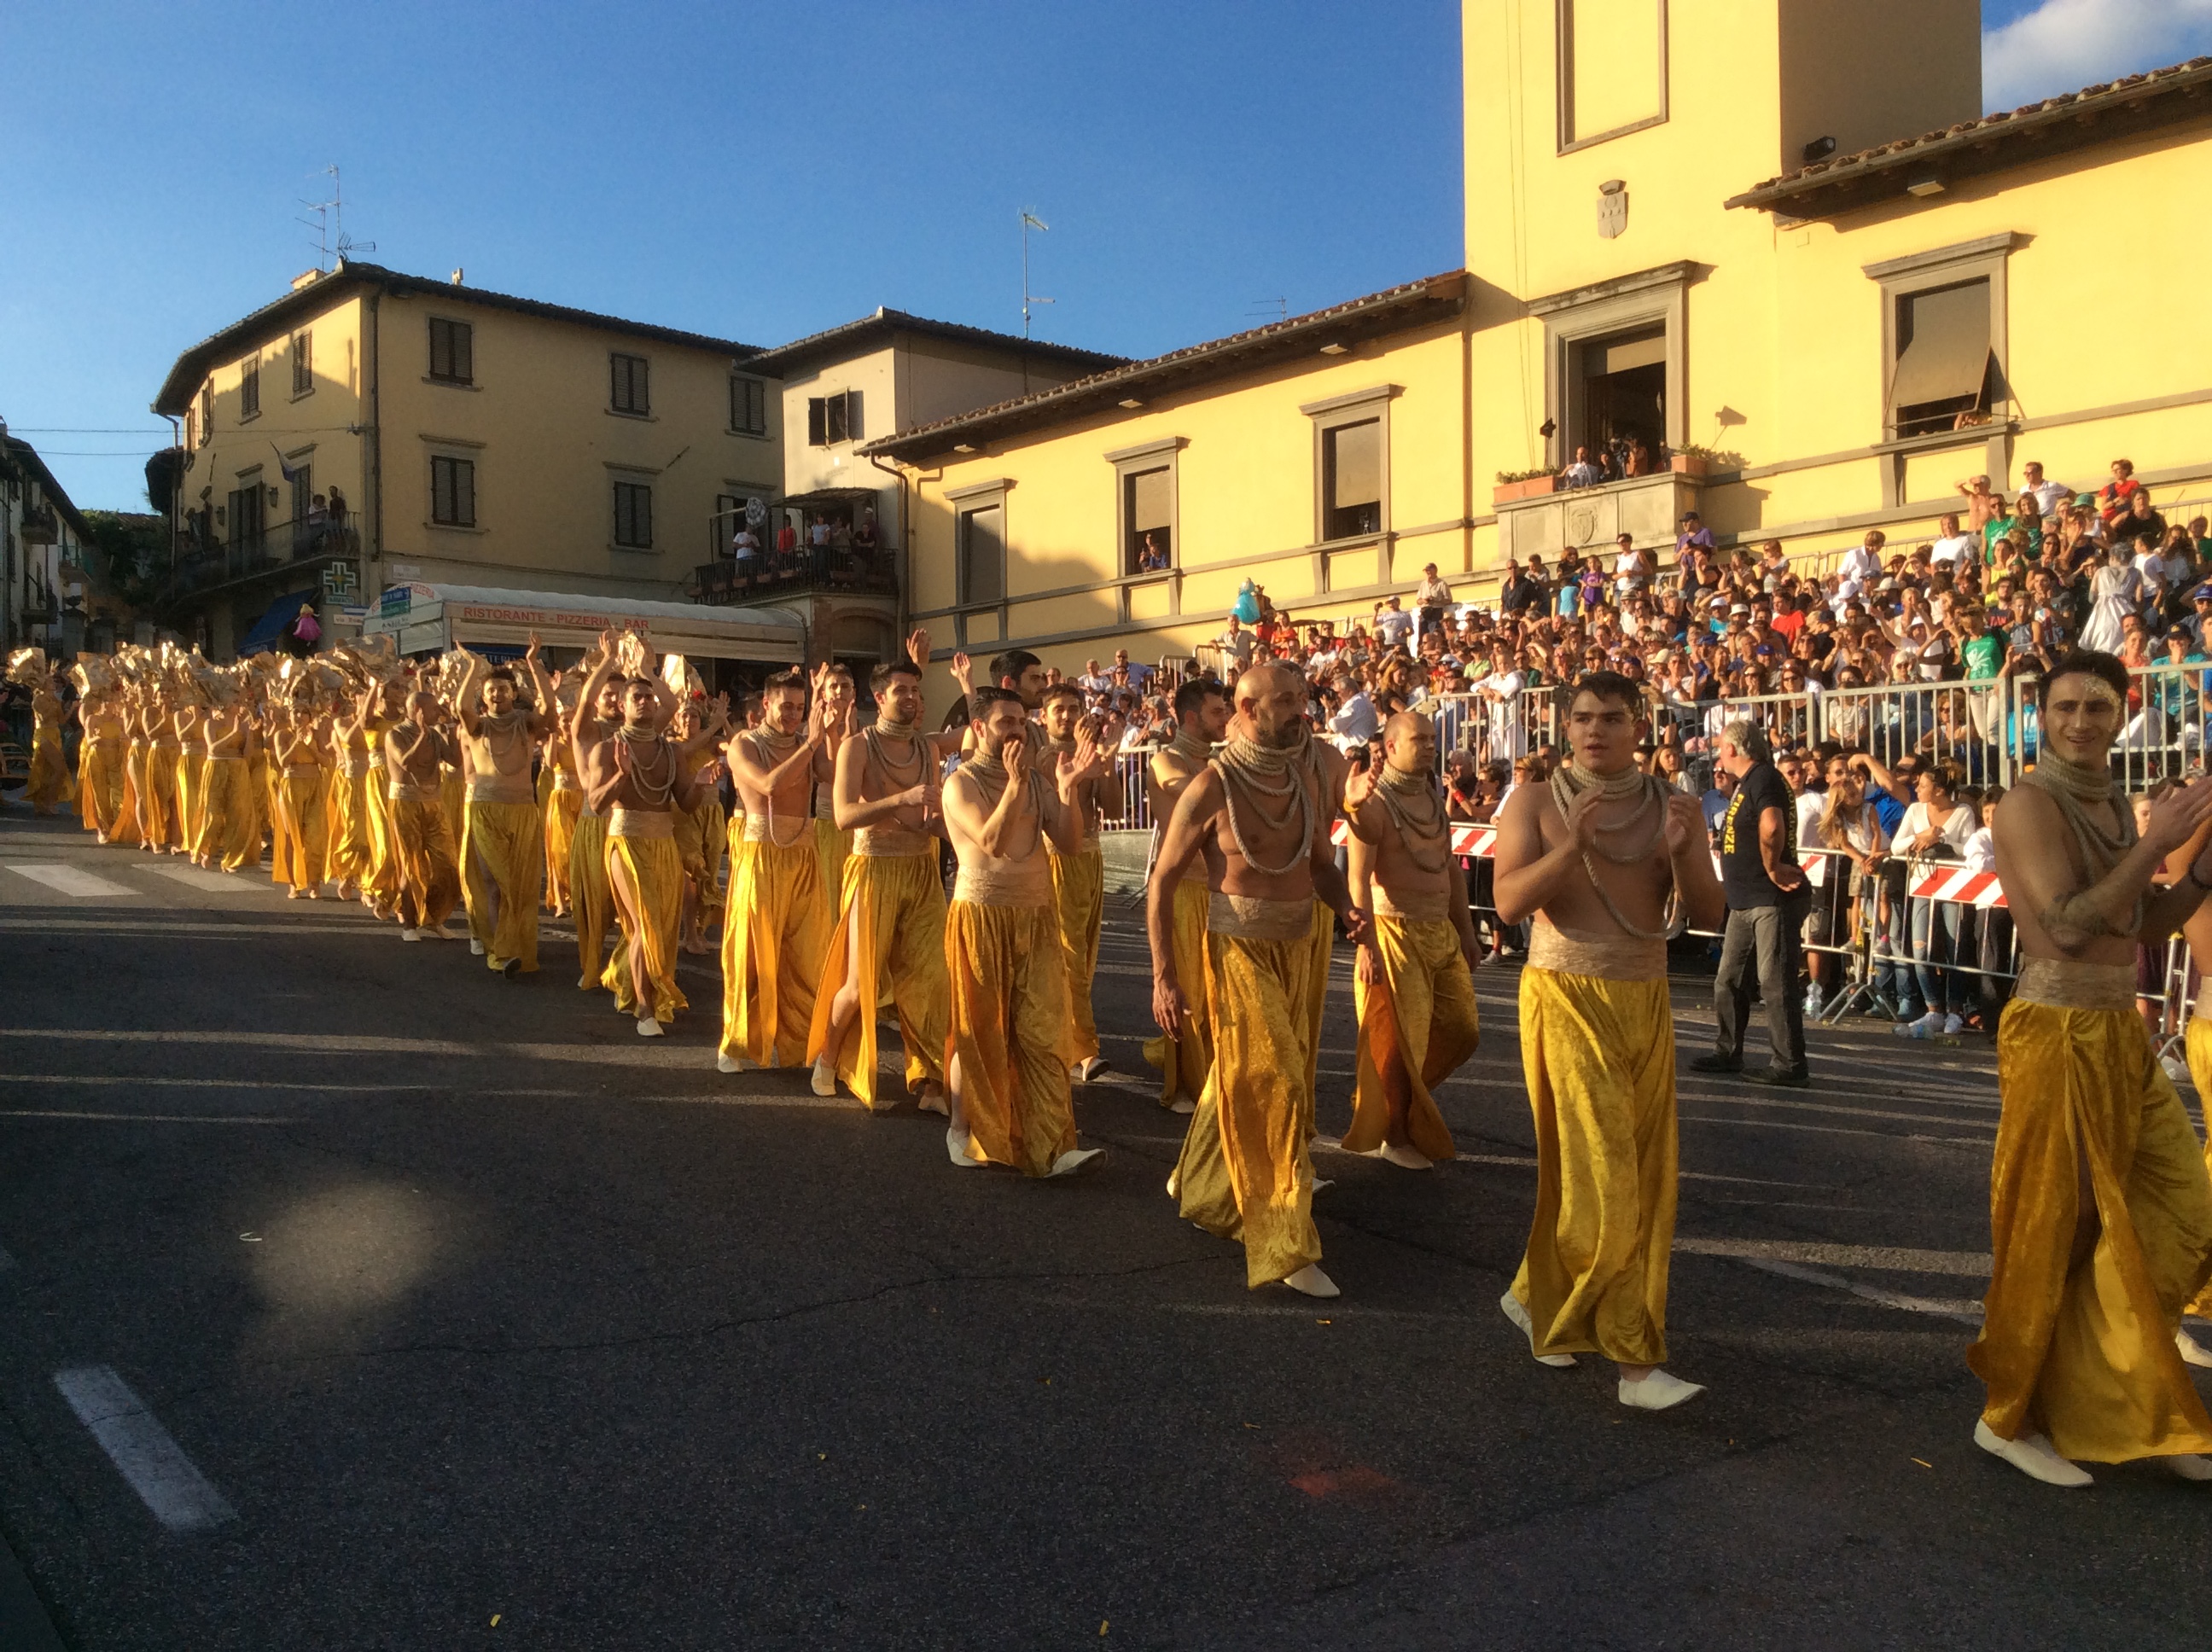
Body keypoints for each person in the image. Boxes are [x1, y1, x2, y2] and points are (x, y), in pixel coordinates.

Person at [1969, 649, 2212, 1487]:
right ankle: (2009, 1412)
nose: (2081, 721)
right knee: (2054, 1225)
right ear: (2040, 715)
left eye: (2098, 707)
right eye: (2066, 706)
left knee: (2181, 1202)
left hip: (2118, 1036)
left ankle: (2118, 1397)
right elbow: (2070, 926)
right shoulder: (2028, 802)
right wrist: (2154, 842)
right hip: (2056, 1028)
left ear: (2121, 713)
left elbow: (2144, 928)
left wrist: (2201, 864)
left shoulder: (2113, 800)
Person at [1490, 672, 1725, 1408]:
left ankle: (1542, 1296)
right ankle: (1633, 1362)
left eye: (1612, 719)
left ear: (1640, 727)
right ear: (1566, 727)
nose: (1595, 731)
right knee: (1606, 1175)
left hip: (1645, 997)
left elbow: (1713, 914)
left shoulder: (1670, 806)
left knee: (1641, 1173)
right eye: (1583, 717)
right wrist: (1573, 848)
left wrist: (1686, 852)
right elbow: (1506, 905)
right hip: (1564, 996)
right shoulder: (1532, 800)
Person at [1150, 661, 1364, 1298]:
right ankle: (1282, 1240)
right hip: (1237, 947)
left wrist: (1348, 911)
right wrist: (1164, 977)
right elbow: (1162, 881)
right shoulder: (1210, 786)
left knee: (1245, 1074)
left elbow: (1321, 865)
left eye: (1302, 697)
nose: (1302, 709)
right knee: (1278, 1083)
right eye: (1287, 701)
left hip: (1297, 945)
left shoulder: (1302, 774)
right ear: (1245, 706)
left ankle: (1201, 1181)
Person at [940, 687, 1108, 1178]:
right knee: (980, 1029)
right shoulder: (961, 783)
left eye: (1020, 721)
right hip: (981, 916)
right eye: (1004, 722)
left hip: (1035, 915)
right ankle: (961, 1128)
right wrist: (1015, 784)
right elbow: (991, 842)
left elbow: (1071, 844)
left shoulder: (1036, 780)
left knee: (1042, 1032)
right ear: (978, 729)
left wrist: (1069, 790)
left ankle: (1052, 1146)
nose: (1016, 730)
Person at [810, 643, 971, 1110]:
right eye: (901, 690)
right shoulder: (856, 747)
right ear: (878, 699)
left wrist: (967, 687)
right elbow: (843, 815)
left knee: (931, 980)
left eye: (916, 690)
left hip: (923, 869)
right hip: (874, 867)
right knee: (861, 986)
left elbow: (976, 736)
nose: (912, 699)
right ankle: (826, 1058)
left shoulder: (927, 745)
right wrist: (901, 801)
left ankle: (931, 1083)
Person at [1342, 711, 1480, 1170]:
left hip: (1439, 930)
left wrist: (1466, 931)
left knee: (1462, 1030)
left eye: (1432, 739)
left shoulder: (1430, 795)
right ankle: (1396, 1132)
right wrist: (1365, 945)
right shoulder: (1374, 803)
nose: (1428, 746)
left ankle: (1396, 1103)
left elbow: (1449, 871)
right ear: (1393, 745)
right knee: (1401, 1040)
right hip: (1393, 933)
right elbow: (1358, 880)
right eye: (1418, 739)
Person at [573, 633, 707, 1035]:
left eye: (649, 698)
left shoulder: (672, 751)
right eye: (637, 698)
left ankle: (642, 988)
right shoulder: (605, 749)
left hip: (663, 843)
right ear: (624, 706)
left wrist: (701, 782)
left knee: (662, 927)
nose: (646, 703)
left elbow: (685, 803)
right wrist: (621, 777)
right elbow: (596, 804)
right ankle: (645, 1008)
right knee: (644, 924)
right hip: (624, 841)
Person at [719, 667, 833, 1071]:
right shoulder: (743, 743)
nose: (794, 715)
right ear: (766, 704)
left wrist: (835, 724)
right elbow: (768, 785)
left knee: (806, 955)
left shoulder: (807, 741)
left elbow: (834, 776)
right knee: (752, 952)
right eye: (786, 706)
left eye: (801, 708)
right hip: (761, 854)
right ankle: (736, 1040)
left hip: (803, 855)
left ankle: (799, 1041)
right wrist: (813, 743)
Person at [1695, 720, 1811, 1085]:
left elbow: (1772, 825)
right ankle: (1728, 1051)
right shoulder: (1748, 783)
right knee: (1728, 979)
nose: (1718, 756)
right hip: (1745, 901)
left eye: (1720, 749)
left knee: (1774, 981)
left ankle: (1789, 1063)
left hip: (1769, 898)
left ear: (1732, 748)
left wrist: (1773, 866)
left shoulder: (1763, 778)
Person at [1142, 677, 1231, 1114]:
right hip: (1181, 888)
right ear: (1192, 717)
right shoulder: (1165, 760)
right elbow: (1188, 796)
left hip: (1218, 890)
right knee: (1187, 984)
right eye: (1218, 712)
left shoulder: (1219, 763)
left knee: (1217, 988)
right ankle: (1182, 1085)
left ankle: (1216, 1075)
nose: (1226, 719)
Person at [454, 646, 555, 978]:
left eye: (503, 689)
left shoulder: (526, 724)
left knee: (524, 888)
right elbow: (459, 706)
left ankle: (519, 947)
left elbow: (550, 708)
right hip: (486, 812)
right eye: (491, 690)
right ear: (484, 697)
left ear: (513, 693)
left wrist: (533, 663)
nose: (497, 693)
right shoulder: (477, 726)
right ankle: (500, 951)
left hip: (523, 811)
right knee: (495, 884)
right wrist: (473, 668)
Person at [1039, 683, 1116, 1083]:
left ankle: (1067, 1038)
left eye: (1073, 708)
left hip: (1092, 858)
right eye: (1058, 710)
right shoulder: (1042, 758)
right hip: (1056, 859)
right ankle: (1085, 1049)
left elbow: (1115, 807)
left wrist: (1108, 760)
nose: (1066, 716)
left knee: (1084, 955)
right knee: (1069, 953)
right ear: (1045, 716)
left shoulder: (1092, 753)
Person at [382, 689, 462, 941]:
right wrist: (421, 737)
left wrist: (450, 728)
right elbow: (406, 763)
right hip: (406, 802)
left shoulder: (436, 734)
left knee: (447, 864)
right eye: (433, 709)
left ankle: (435, 918)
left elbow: (456, 762)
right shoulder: (395, 733)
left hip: (434, 802)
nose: (437, 712)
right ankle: (409, 924)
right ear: (417, 710)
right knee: (412, 866)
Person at [1415, 563, 1452, 640]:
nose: (1428, 572)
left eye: (1429, 570)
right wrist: (1424, 600)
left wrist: (1436, 600)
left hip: (1436, 611)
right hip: (1425, 611)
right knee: (1423, 633)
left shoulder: (1442, 584)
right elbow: (1418, 601)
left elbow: (1449, 600)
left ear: (1435, 570)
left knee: (1435, 633)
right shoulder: (1423, 584)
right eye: (1426, 571)